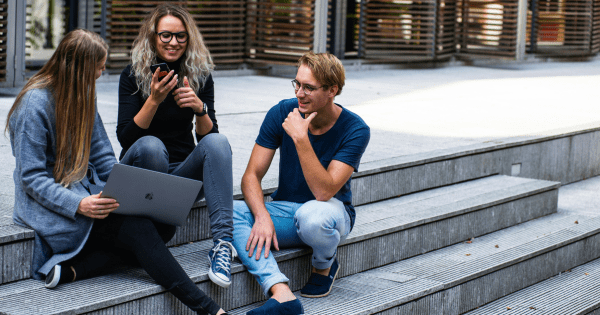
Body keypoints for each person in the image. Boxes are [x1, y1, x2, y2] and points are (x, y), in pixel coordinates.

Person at [6, 29, 228, 315]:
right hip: (55, 208)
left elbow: (103, 156)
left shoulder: (82, 94)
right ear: (79, 67)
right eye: (98, 67)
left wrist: (123, 190)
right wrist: (79, 204)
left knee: (163, 227)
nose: (100, 74)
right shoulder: (33, 105)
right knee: (140, 230)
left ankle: (76, 269)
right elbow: (31, 178)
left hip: (90, 195)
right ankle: (209, 309)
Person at [232, 52, 371, 314]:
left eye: (308, 87)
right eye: (297, 84)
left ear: (332, 90)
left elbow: (324, 191)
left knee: (313, 216)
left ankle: (324, 264)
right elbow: (251, 176)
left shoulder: (356, 129)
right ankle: (280, 292)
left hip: (330, 211)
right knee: (228, 212)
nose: (299, 93)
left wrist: (301, 138)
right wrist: (261, 216)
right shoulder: (282, 112)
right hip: (285, 210)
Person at [117, 4, 236, 289]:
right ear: (153, 37)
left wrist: (200, 108)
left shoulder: (200, 75)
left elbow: (210, 140)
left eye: (181, 36)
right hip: (141, 173)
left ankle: (222, 245)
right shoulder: (133, 74)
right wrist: (154, 100)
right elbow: (126, 139)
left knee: (217, 142)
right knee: (151, 146)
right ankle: (150, 233)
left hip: (180, 179)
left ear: (189, 38)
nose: (173, 42)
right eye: (166, 35)